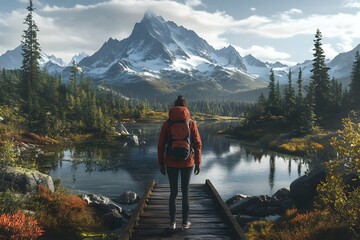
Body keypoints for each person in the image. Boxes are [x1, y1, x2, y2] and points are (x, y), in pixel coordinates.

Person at [157, 95, 202, 230]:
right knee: (185, 192)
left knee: (173, 192)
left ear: (174, 107)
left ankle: (172, 223)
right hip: (188, 162)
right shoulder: (191, 123)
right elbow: (198, 144)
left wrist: (161, 163)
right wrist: (198, 162)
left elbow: (160, 145)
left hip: (170, 161)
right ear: (185, 108)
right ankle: (185, 222)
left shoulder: (167, 123)